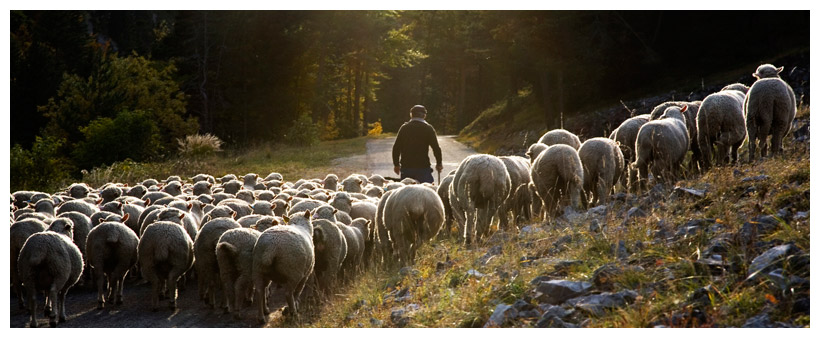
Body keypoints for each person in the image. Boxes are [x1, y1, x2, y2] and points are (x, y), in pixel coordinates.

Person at [392, 105, 443, 184]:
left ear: (411, 115)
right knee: (427, 192)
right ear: (424, 115)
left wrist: (396, 164)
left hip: (407, 167)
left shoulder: (404, 128)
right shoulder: (428, 128)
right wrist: (439, 163)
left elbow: (396, 148)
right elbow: (436, 148)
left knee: (406, 192)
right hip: (423, 168)